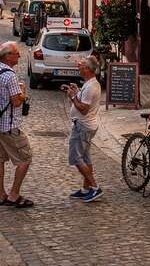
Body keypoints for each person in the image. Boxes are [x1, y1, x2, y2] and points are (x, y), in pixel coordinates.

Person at [0, 42, 33, 208]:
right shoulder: (10, 76)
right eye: (16, 53)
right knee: (25, 158)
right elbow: (16, 102)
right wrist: (22, 92)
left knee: (0, 159)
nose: (19, 56)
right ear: (8, 56)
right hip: (10, 126)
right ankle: (14, 195)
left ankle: (0, 194)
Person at [65, 57, 103, 202]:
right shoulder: (89, 84)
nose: (79, 67)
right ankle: (85, 189)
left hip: (83, 126)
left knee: (76, 158)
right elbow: (83, 102)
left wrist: (73, 96)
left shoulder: (92, 86)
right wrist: (77, 92)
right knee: (86, 158)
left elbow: (84, 109)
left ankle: (94, 187)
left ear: (87, 69)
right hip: (86, 126)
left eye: (81, 65)